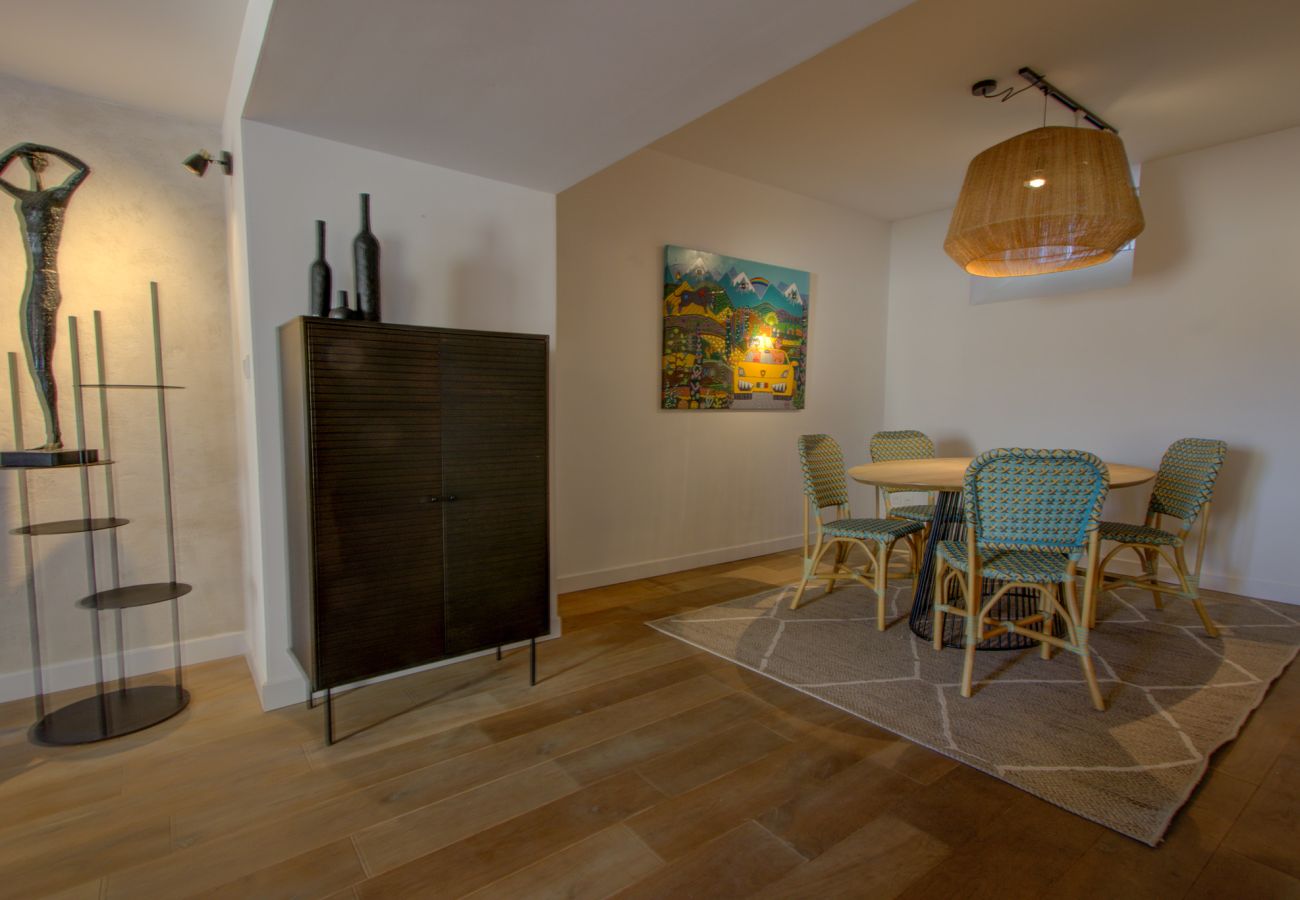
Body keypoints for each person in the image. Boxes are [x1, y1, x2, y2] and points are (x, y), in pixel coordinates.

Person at [0, 142, 90, 450]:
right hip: (34, 280)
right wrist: (15, 152)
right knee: (37, 360)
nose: (34, 161)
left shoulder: (58, 196)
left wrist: (42, 147)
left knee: (41, 361)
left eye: (37, 158)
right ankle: (54, 434)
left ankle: (55, 435)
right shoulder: (26, 197)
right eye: (31, 159)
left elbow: (82, 169)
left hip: (47, 280)